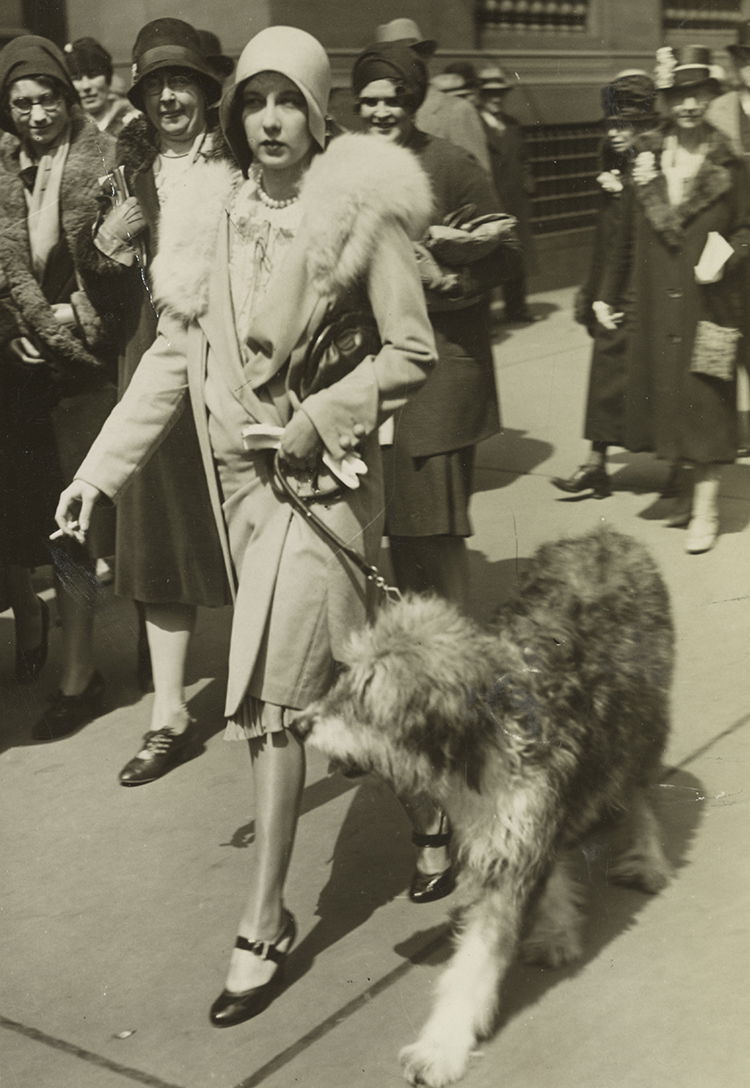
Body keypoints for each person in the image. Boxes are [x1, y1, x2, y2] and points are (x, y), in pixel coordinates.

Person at [56, 25, 435, 1024]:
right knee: (345, 682)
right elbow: (172, 362)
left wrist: (320, 413)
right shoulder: (216, 219)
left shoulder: (363, 216)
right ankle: (432, 805)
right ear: (239, 115)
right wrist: (99, 470)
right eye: (255, 102)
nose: (270, 120)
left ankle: (264, 919)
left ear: (318, 115)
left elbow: (412, 351)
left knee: (271, 699)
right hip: (245, 499)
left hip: (326, 487)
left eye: (289, 103)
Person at [353, 39, 510, 903]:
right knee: (383, 560)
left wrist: (436, 268)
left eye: (392, 100)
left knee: (434, 546)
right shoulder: (344, 166)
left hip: (440, 376)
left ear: (413, 97)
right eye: (367, 101)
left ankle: (461, 706)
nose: (380, 113)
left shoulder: (449, 162)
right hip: (367, 383)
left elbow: (503, 261)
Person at [80, 19, 232, 786]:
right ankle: (168, 711)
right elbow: (98, 285)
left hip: (236, 369)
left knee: (253, 529)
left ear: (206, 90)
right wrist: (108, 243)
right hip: (155, 364)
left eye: (182, 83)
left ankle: (270, 696)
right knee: (160, 538)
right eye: (154, 86)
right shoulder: (126, 172)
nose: (169, 96)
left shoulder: (244, 161)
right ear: (140, 98)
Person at [0, 35, 119, 731]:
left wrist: (80, 312)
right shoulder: (4, 168)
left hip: (83, 369)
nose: (37, 115)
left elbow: (129, 262)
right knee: (37, 522)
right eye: (23, 103)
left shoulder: (104, 161)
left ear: (69, 98)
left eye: (48, 99)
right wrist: (10, 328)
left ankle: (80, 670)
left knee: (74, 528)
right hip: (20, 375)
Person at [597, 45, 750, 554]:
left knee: (707, 402)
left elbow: (747, 229)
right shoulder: (645, 155)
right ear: (667, 99)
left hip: (714, 307)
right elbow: (623, 234)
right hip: (659, 307)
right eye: (679, 94)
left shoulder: (731, 160)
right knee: (671, 400)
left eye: (698, 93)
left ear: (711, 96)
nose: (688, 104)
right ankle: (686, 492)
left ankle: (706, 508)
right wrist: (605, 293)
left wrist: (726, 255)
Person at [553, 72, 659, 499]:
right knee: (607, 365)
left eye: (625, 125)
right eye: (611, 124)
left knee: (660, 372)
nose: (615, 133)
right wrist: (597, 290)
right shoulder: (612, 159)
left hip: (651, 280)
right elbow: (608, 235)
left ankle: (680, 465)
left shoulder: (657, 160)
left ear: (645, 123)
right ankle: (596, 462)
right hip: (615, 278)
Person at [708, 20, 750, 455]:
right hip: (731, 243)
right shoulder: (717, 110)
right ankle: (730, 432)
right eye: (747, 59)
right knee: (728, 335)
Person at [374, 18, 491, 172]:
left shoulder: (456, 111)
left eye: (406, 60)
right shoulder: (380, 114)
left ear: (424, 60)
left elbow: (478, 182)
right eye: (389, 63)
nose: (397, 69)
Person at [477, 64, 537, 323]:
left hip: (515, 199)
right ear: (480, 95)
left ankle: (517, 308)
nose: (495, 98)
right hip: (489, 199)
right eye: (490, 93)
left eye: (500, 93)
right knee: (487, 256)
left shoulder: (512, 125)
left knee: (516, 254)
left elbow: (523, 158)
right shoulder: (475, 125)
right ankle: (486, 315)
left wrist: (527, 182)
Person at [63, 37, 138, 137]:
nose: (86, 86)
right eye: (77, 78)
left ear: (108, 77)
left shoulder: (133, 120)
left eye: (93, 75)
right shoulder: (67, 130)